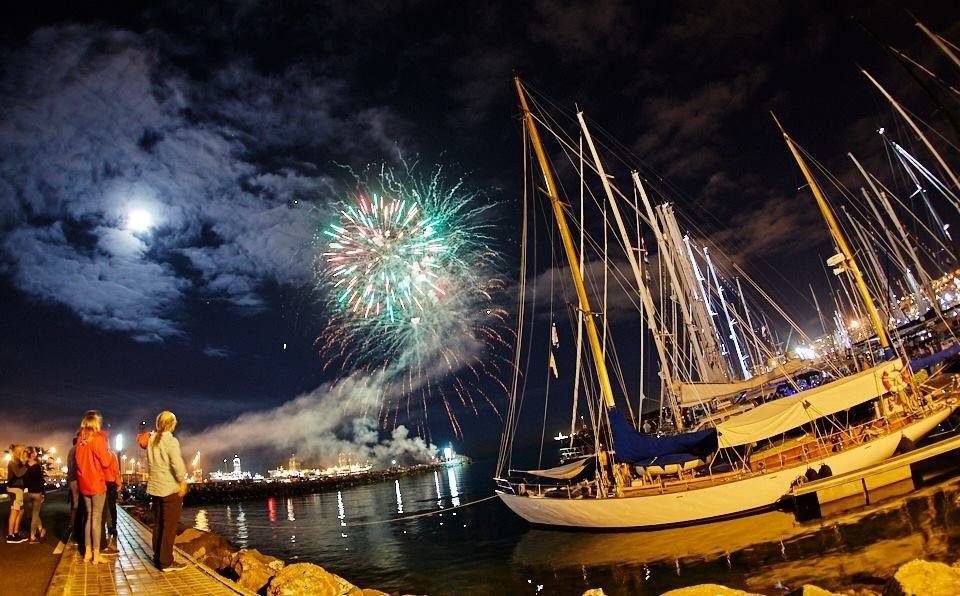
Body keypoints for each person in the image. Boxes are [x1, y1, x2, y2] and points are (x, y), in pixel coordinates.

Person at [146, 411, 188, 572]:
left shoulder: (151, 440)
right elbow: (177, 463)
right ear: (171, 424)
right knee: (169, 526)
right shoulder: (171, 441)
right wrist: (182, 481)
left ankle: (158, 558)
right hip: (170, 489)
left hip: (155, 488)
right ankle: (166, 562)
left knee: (158, 524)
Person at [75, 412, 111, 564]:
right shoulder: (97, 439)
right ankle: (96, 555)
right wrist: (108, 451)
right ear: (95, 424)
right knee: (96, 518)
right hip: (96, 483)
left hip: (84, 483)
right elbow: (106, 462)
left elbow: (77, 462)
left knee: (89, 517)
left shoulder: (80, 441)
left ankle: (87, 552)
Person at [23, 447, 46, 544]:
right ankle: (32, 537)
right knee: (35, 514)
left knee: (34, 514)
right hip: (36, 493)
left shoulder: (24, 466)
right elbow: (41, 481)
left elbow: (23, 480)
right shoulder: (37, 466)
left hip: (27, 493)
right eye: (35, 452)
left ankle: (40, 530)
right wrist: (43, 493)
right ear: (32, 454)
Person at [6, 444, 28, 543]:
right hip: (15, 489)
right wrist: (26, 464)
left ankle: (15, 533)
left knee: (21, 511)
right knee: (14, 511)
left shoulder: (19, 462)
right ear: (16, 452)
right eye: (21, 451)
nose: (23, 452)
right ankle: (10, 535)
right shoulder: (12, 462)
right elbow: (18, 474)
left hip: (19, 489)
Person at [102, 449, 121, 553]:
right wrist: (118, 483)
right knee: (112, 506)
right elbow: (116, 470)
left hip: (101, 482)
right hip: (111, 483)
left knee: (103, 507)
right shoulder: (112, 454)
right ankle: (113, 527)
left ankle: (106, 527)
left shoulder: (99, 454)